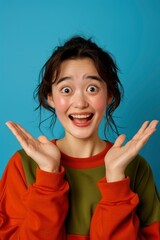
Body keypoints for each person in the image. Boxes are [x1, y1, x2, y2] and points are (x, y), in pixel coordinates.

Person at [0, 36, 159, 240]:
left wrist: (116, 179)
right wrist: (48, 176)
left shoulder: (135, 167)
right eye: (66, 90)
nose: (80, 102)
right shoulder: (23, 165)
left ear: (109, 94)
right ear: (51, 97)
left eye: (92, 88)